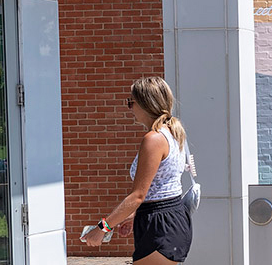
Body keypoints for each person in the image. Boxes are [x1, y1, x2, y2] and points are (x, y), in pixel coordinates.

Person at [80, 77, 193, 265]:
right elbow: (160, 187)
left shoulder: (154, 139)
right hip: (168, 219)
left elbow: (138, 195)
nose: (130, 108)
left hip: (160, 224)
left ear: (144, 103)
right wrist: (132, 215)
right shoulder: (172, 133)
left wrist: (103, 228)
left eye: (130, 102)